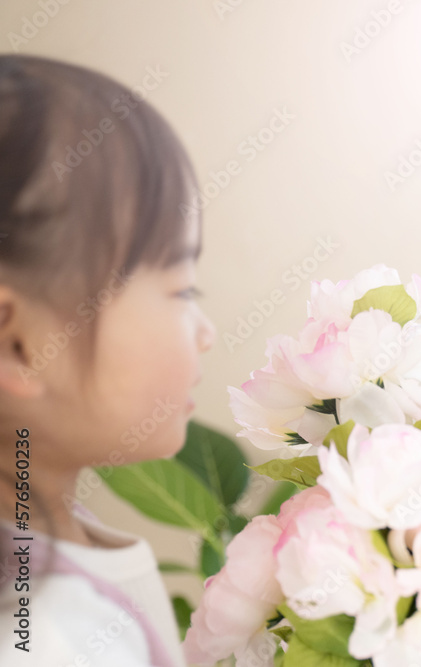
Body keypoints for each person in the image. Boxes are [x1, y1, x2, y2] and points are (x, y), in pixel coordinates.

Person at [0, 55, 215, 666]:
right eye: (181, 291)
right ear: (18, 343)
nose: (206, 332)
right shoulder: (46, 637)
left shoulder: (49, 542)